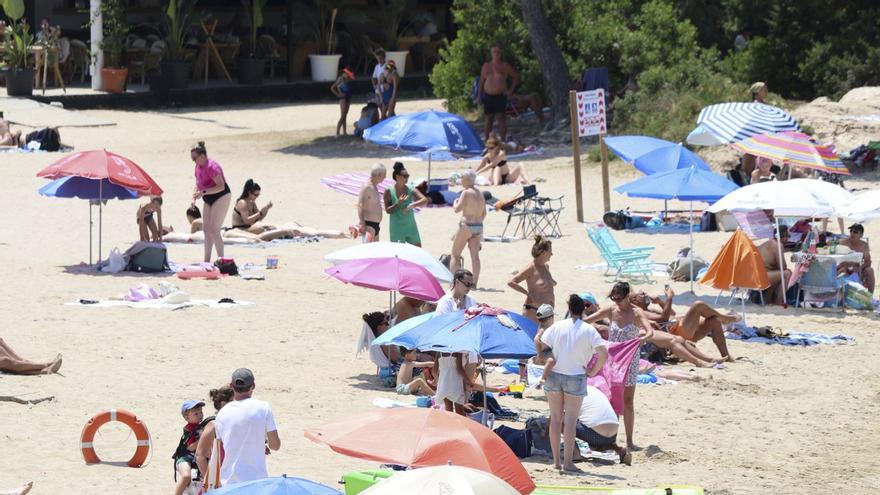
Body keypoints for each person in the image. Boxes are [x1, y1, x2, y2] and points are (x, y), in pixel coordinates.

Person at [537, 294, 608, 473]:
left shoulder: (557, 326)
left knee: (555, 419)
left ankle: (556, 462)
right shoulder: (589, 330)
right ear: (584, 308)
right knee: (570, 422)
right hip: (576, 375)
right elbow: (603, 353)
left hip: (554, 375)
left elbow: (542, 343)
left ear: (569, 308)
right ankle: (568, 462)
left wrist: (546, 358)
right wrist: (593, 371)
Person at [584, 282, 654, 450]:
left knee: (628, 401)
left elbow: (650, 331)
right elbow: (586, 322)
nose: (616, 301)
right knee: (610, 398)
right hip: (612, 361)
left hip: (630, 360)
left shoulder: (637, 313)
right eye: (613, 297)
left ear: (627, 296)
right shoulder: (611, 310)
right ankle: (609, 439)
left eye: (619, 298)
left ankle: (629, 441)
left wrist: (642, 339)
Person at [631, 287, 738, 363]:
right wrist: (669, 298)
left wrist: (659, 301)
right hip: (676, 332)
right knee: (698, 305)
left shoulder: (649, 309)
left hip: (682, 329)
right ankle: (724, 318)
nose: (646, 294)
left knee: (714, 321)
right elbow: (663, 318)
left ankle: (726, 356)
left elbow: (671, 313)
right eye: (642, 294)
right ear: (635, 301)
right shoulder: (639, 312)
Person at [214, 368, 280, 487]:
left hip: (229, 482)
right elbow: (275, 445)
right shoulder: (263, 407)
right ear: (253, 385)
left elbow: (220, 452)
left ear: (231, 386)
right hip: (256, 481)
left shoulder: (222, 413)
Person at [191, 141, 231, 262]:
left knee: (214, 229)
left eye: (194, 158)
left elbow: (221, 186)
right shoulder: (198, 167)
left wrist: (202, 192)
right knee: (206, 229)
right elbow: (198, 184)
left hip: (221, 196)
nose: (193, 160)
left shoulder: (212, 167)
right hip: (208, 197)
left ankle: (221, 260)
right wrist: (193, 198)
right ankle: (206, 261)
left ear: (202, 156)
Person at [575, 385, 630, 465]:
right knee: (596, 428)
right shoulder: (594, 390)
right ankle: (618, 449)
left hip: (595, 435)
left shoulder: (573, 391)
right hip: (612, 435)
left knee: (563, 421)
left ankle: (575, 454)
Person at [449, 169, 486, 287]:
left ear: (468, 180)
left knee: (455, 254)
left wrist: (455, 202)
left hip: (467, 225)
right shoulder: (480, 193)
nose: (461, 180)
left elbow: (457, 209)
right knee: (475, 257)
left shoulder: (465, 192)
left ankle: (456, 283)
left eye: (462, 178)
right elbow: (484, 213)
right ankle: (474, 283)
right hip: (478, 226)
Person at [195, 386, 235, 492]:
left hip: (232, 477)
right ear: (223, 404)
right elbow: (200, 455)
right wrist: (209, 481)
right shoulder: (214, 424)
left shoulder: (235, 423)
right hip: (218, 480)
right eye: (233, 401)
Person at [508, 236, 556, 322]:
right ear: (544, 252)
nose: (552, 254)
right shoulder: (531, 268)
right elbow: (511, 282)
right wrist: (527, 293)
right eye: (550, 252)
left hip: (548, 314)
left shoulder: (546, 266)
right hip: (534, 312)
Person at [477, 45, 519, 141]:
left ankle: (503, 140)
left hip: (500, 95)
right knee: (488, 119)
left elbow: (516, 76)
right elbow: (481, 81)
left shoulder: (505, 66)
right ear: (491, 54)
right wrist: (479, 95)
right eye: (494, 52)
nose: (496, 54)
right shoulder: (486, 66)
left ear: (500, 54)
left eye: (498, 52)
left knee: (501, 118)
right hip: (488, 95)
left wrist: (511, 90)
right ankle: (487, 141)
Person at [384, 162, 428, 246]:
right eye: (405, 176)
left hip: (410, 226)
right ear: (397, 177)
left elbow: (424, 200)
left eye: (408, 176)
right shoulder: (389, 191)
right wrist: (398, 203)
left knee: (417, 250)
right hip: (397, 227)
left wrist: (411, 206)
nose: (407, 178)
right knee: (398, 253)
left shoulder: (411, 189)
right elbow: (388, 211)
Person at [173, 400, 206, 495]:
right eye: (196, 413)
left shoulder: (203, 426)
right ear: (187, 417)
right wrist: (204, 438)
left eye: (201, 412)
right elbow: (191, 447)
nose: (200, 415)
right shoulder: (189, 429)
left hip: (196, 456)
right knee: (186, 476)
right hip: (185, 457)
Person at [757, 225, 792, 305]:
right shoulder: (778, 245)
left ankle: (768, 299)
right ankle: (779, 301)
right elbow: (783, 267)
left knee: (778, 272)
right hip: (761, 277)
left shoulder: (769, 243)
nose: (788, 239)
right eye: (787, 236)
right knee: (787, 273)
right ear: (784, 237)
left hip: (754, 275)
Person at [839, 223, 875, 293]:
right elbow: (829, 244)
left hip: (858, 269)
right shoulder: (843, 242)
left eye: (855, 232)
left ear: (861, 235)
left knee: (870, 270)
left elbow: (868, 262)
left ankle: (869, 297)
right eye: (851, 231)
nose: (852, 233)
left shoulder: (864, 245)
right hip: (844, 268)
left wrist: (859, 268)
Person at [358, 163, 386, 242]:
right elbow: (360, 205)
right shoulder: (367, 186)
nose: (385, 177)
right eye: (384, 175)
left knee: (375, 252)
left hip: (376, 225)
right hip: (369, 224)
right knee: (367, 251)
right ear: (379, 175)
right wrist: (362, 223)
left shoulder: (374, 186)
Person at [330, 68, 355, 136]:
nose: (347, 75)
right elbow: (332, 88)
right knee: (343, 115)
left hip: (348, 97)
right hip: (343, 98)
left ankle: (344, 132)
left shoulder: (348, 79)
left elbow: (353, 78)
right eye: (346, 73)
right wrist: (338, 95)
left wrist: (350, 75)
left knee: (345, 115)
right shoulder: (340, 79)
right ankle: (337, 132)